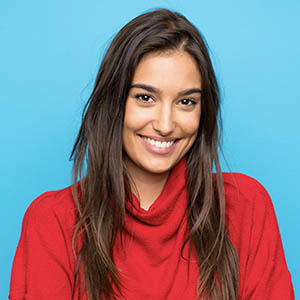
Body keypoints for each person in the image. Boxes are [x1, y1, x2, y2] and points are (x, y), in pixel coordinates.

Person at [9, 8, 294, 300]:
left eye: (186, 101)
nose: (165, 125)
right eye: (145, 98)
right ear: (114, 102)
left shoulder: (245, 206)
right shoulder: (52, 221)